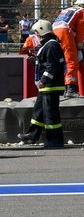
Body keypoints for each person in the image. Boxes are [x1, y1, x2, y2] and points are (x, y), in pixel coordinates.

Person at [17, 20, 66, 148]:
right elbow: (46, 64)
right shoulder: (48, 46)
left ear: (42, 31)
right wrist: (36, 60)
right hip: (46, 87)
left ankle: (55, 140)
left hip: (50, 86)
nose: (36, 36)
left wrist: (44, 80)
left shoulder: (51, 46)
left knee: (50, 114)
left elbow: (52, 67)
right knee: (38, 111)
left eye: (37, 33)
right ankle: (32, 135)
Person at [52, 0, 84, 98]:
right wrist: (79, 43)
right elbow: (81, 27)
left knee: (62, 60)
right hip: (65, 32)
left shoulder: (67, 10)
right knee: (71, 60)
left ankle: (63, 87)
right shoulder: (82, 11)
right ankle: (71, 89)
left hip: (55, 31)